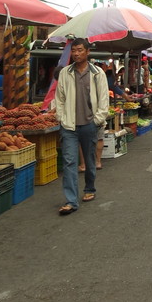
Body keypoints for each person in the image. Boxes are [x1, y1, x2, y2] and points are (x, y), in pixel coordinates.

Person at [54, 38, 110, 216]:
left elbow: (103, 99)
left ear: (87, 52)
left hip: (89, 124)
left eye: (79, 50)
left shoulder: (97, 73)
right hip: (69, 125)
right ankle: (71, 200)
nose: (76, 54)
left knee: (89, 159)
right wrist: (61, 118)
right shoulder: (65, 73)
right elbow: (59, 98)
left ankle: (90, 188)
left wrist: (97, 120)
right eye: (74, 51)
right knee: (70, 161)